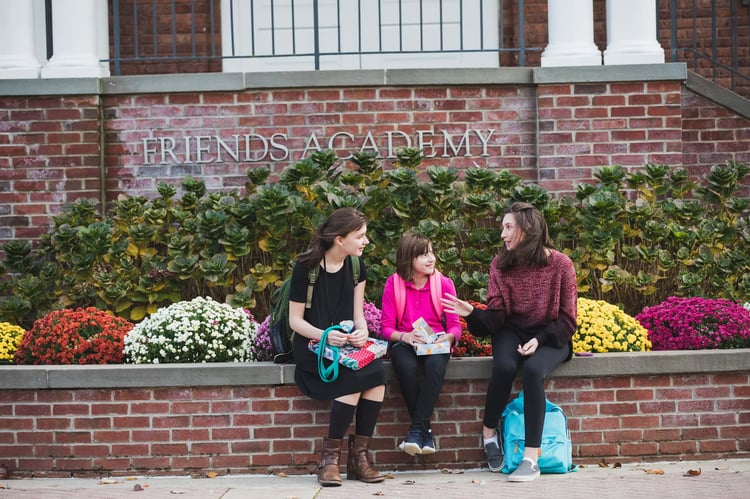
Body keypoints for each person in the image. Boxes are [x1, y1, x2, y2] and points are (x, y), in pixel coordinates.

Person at [441, 202, 577, 482]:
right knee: (504, 366)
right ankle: (489, 432)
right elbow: (496, 318)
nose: (502, 234)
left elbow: (567, 319)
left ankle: (531, 458)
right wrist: (471, 312)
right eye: (502, 227)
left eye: (508, 227)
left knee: (532, 371)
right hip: (512, 330)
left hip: (552, 334)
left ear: (527, 230)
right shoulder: (500, 264)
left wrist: (540, 340)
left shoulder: (561, 264)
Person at [288, 207, 386, 487]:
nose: (365, 241)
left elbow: (358, 315)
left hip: (345, 349)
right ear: (339, 239)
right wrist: (324, 336)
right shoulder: (305, 269)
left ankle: (359, 459)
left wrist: (362, 332)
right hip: (312, 350)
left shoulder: (357, 267)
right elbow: (295, 321)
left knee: (377, 375)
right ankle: (329, 460)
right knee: (354, 379)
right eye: (360, 236)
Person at [380, 232, 462, 456]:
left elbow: (455, 325)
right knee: (405, 367)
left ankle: (417, 429)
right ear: (409, 259)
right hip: (406, 343)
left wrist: (449, 337)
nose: (431, 259)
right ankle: (424, 430)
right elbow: (386, 327)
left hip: (435, 343)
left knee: (435, 366)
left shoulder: (444, 284)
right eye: (423, 255)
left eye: (431, 253)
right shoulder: (394, 284)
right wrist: (404, 337)